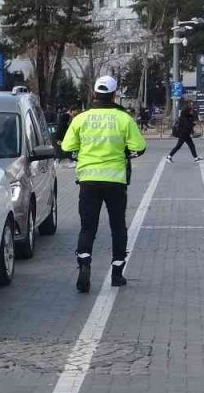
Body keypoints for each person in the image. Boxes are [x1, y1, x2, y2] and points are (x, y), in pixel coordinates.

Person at [61, 75, 146, 292]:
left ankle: (84, 265)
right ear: (114, 94)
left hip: (88, 180)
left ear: (94, 94)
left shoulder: (81, 118)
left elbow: (67, 147)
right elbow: (139, 147)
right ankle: (117, 273)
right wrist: (125, 153)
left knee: (87, 227)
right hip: (115, 181)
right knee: (118, 226)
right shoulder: (123, 118)